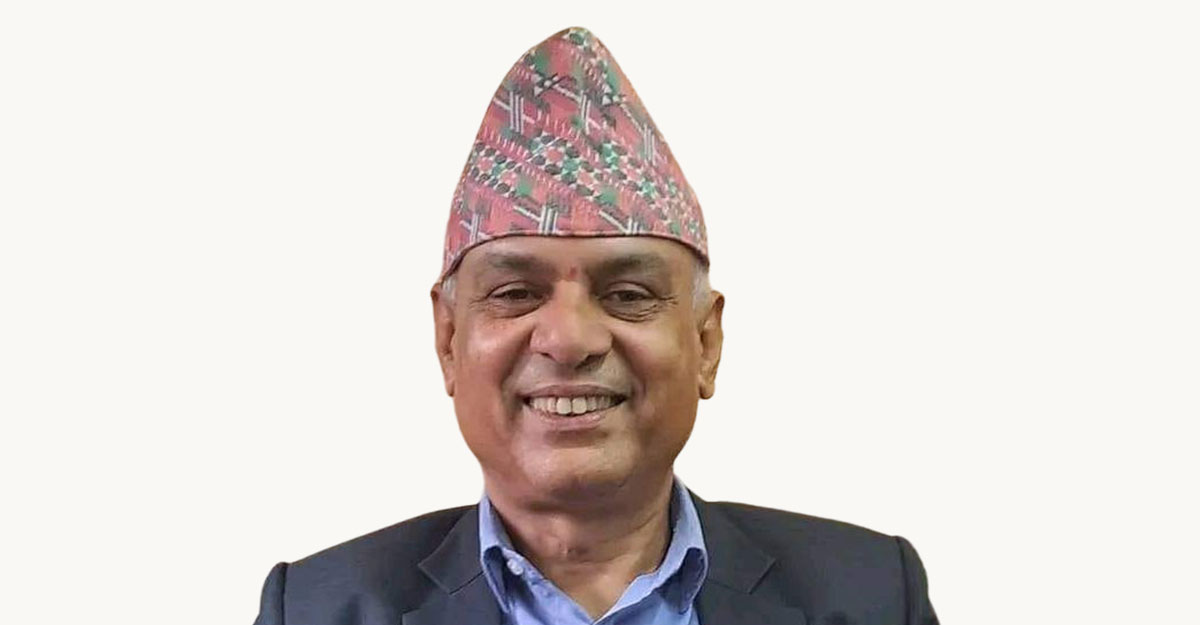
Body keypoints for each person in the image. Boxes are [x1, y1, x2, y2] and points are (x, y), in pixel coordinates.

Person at [252, 26, 939, 625]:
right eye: (516, 293)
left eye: (629, 294)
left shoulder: (871, 596)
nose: (570, 339)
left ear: (705, 342)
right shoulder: (318, 609)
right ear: (448, 340)